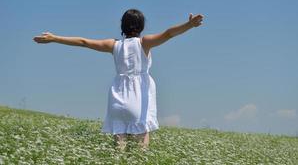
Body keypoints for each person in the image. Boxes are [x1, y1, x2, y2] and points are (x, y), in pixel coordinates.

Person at [33, 9, 204, 150]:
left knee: (119, 150)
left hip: (117, 98)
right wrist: (189, 25)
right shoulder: (144, 42)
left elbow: (84, 42)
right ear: (142, 26)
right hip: (138, 99)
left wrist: (54, 38)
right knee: (141, 149)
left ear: (122, 26)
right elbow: (168, 34)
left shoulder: (114, 45)